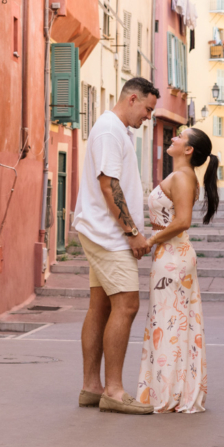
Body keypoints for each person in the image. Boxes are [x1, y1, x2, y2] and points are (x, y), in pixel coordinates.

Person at [75, 77, 159, 415]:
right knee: (127, 305)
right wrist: (132, 232)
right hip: (108, 234)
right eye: (148, 109)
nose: (149, 117)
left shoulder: (115, 130)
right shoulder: (110, 131)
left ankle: (91, 387)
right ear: (133, 99)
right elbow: (109, 186)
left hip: (101, 231)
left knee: (101, 306)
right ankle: (113, 390)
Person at [135, 125, 218, 414]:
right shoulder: (181, 176)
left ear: (188, 150)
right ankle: (169, 389)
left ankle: (169, 393)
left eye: (180, 137)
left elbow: (182, 221)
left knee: (169, 323)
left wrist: (151, 240)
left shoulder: (182, 178)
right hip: (170, 253)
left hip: (172, 254)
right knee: (169, 323)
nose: (173, 137)